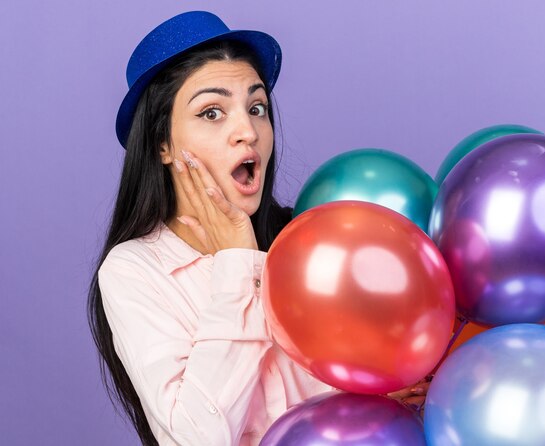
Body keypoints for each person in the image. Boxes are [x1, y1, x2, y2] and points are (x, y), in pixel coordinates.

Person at [88, 10, 425, 446]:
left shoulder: (309, 242)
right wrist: (235, 262)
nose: (247, 130)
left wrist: (379, 398)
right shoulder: (134, 269)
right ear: (162, 144)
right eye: (212, 112)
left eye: (257, 107)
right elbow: (196, 437)